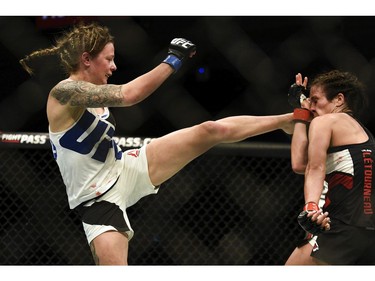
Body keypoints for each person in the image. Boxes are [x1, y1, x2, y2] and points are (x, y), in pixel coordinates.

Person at [19, 22, 295, 265]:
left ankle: (285, 120)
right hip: (96, 198)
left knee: (209, 129)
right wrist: (173, 58)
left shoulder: (95, 94)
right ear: (87, 59)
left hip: (125, 167)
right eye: (109, 59)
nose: (114, 66)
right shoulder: (64, 92)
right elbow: (130, 95)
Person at [285, 70, 375, 265]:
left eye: (315, 100)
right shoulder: (358, 130)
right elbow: (300, 163)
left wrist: (310, 206)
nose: (311, 106)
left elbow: (315, 168)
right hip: (363, 227)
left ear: (339, 99)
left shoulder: (326, 121)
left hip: (343, 224)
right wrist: (301, 112)